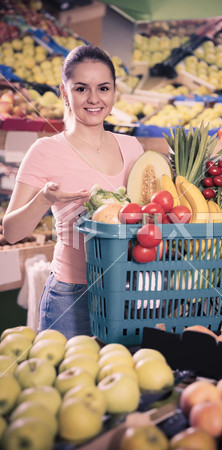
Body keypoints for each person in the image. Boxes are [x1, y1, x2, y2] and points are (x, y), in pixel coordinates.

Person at [3, 45, 144, 339]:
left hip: (126, 290)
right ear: (64, 92)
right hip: (71, 295)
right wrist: (43, 199)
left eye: (103, 88)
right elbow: (12, 232)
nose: (94, 99)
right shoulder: (45, 151)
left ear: (114, 91)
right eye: (81, 88)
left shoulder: (133, 148)